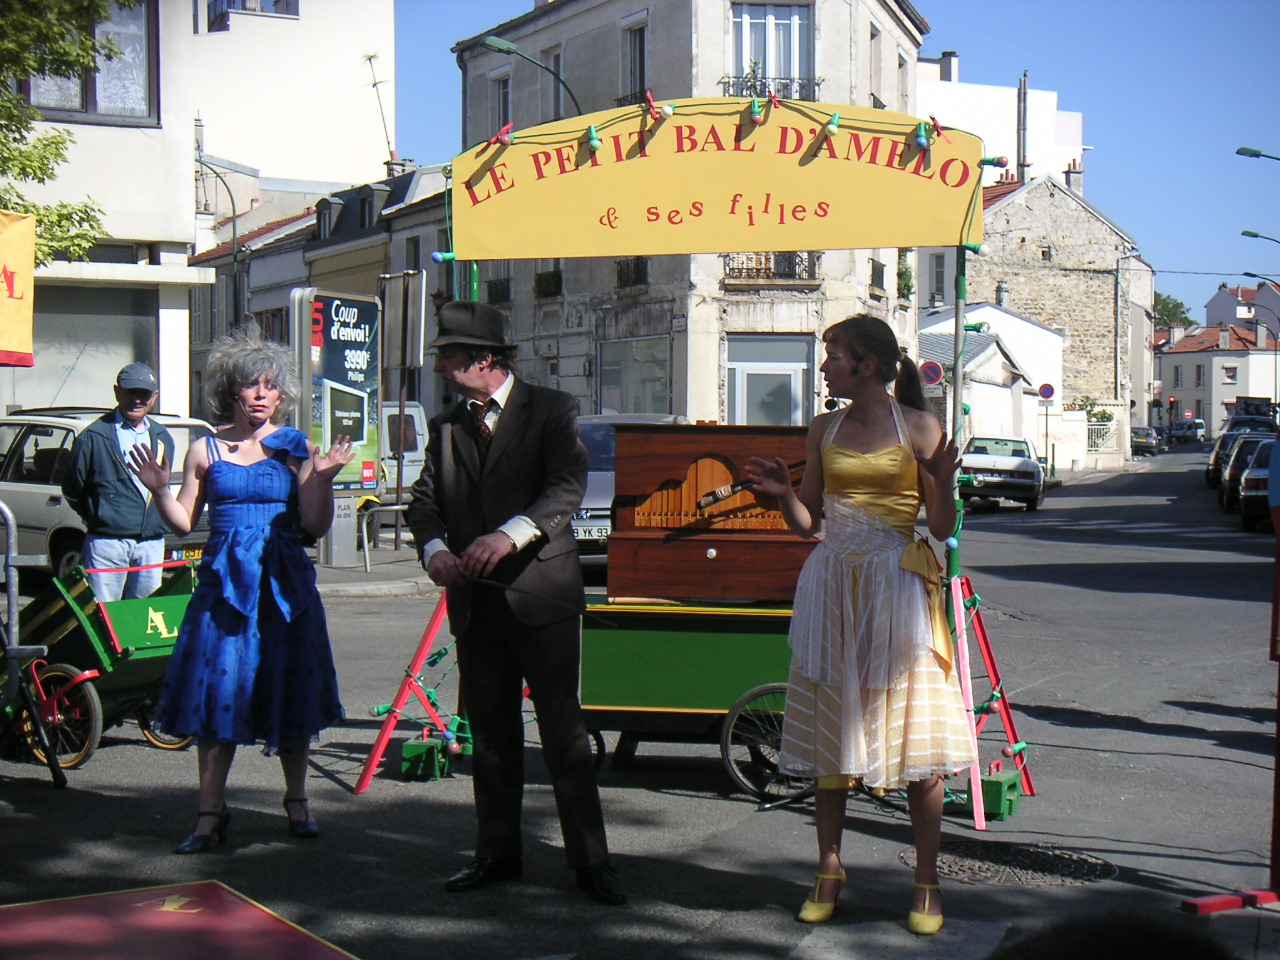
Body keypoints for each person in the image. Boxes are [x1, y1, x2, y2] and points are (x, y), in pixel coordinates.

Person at [742, 314, 975, 934]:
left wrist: (944, 482)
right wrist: (781, 495)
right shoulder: (825, 427)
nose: (825, 367)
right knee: (832, 737)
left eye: (834, 356)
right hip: (833, 583)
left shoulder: (920, 426)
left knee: (918, 742)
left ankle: (926, 882)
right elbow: (808, 523)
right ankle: (828, 869)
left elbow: (942, 528)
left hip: (895, 587)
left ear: (867, 365)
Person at [406, 300, 624, 907]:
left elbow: (566, 487)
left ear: (483, 359)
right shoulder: (446, 425)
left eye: (448, 356)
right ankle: (496, 854)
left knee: (563, 735)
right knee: (492, 739)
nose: (440, 367)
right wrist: (434, 552)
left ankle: (592, 862)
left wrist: (509, 535)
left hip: (540, 596)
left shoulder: (551, 408)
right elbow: (423, 502)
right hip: (475, 603)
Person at [129, 329, 351, 854]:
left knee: (291, 688)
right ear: (231, 390)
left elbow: (315, 526)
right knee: (216, 695)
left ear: (281, 395)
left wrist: (323, 481)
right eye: (251, 385)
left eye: (270, 386)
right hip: (224, 589)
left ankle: (297, 800)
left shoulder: (296, 448)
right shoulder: (204, 449)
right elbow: (183, 522)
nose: (260, 394)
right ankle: (209, 812)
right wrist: (159, 491)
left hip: (284, 587)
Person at [62, 362, 174, 600]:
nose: (137, 400)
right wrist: (102, 516)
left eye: (144, 394)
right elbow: (73, 489)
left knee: (145, 615)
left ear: (154, 397)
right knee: (104, 613)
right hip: (107, 543)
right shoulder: (93, 437)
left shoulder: (163, 436)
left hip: (151, 543)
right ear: (117, 392)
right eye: (131, 392)